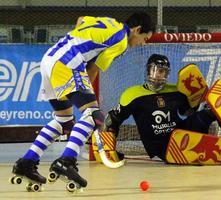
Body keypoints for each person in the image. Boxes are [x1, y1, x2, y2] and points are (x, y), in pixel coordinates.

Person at [12, 12, 154, 188]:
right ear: (137, 29)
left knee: (64, 121)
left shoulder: (109, 22)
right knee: (93, 116)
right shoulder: (121, 41)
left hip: (50, 59)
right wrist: (91, 106)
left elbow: (80, 20)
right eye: (145, 38)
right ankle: (67, 161)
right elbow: (93, 69)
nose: (143, 43)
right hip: (68, 62)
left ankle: (26, 163)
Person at [103, 53, 221, 165]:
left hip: (181, 131)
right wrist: (109, 151)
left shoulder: (175, 91)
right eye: (156, 70)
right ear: (148, 70)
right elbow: (112, 121)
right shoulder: (132, 94)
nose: (159, 75)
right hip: (164, 146)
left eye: (163, 72)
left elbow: (188, 112)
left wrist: (198, 103)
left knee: (213, 107)